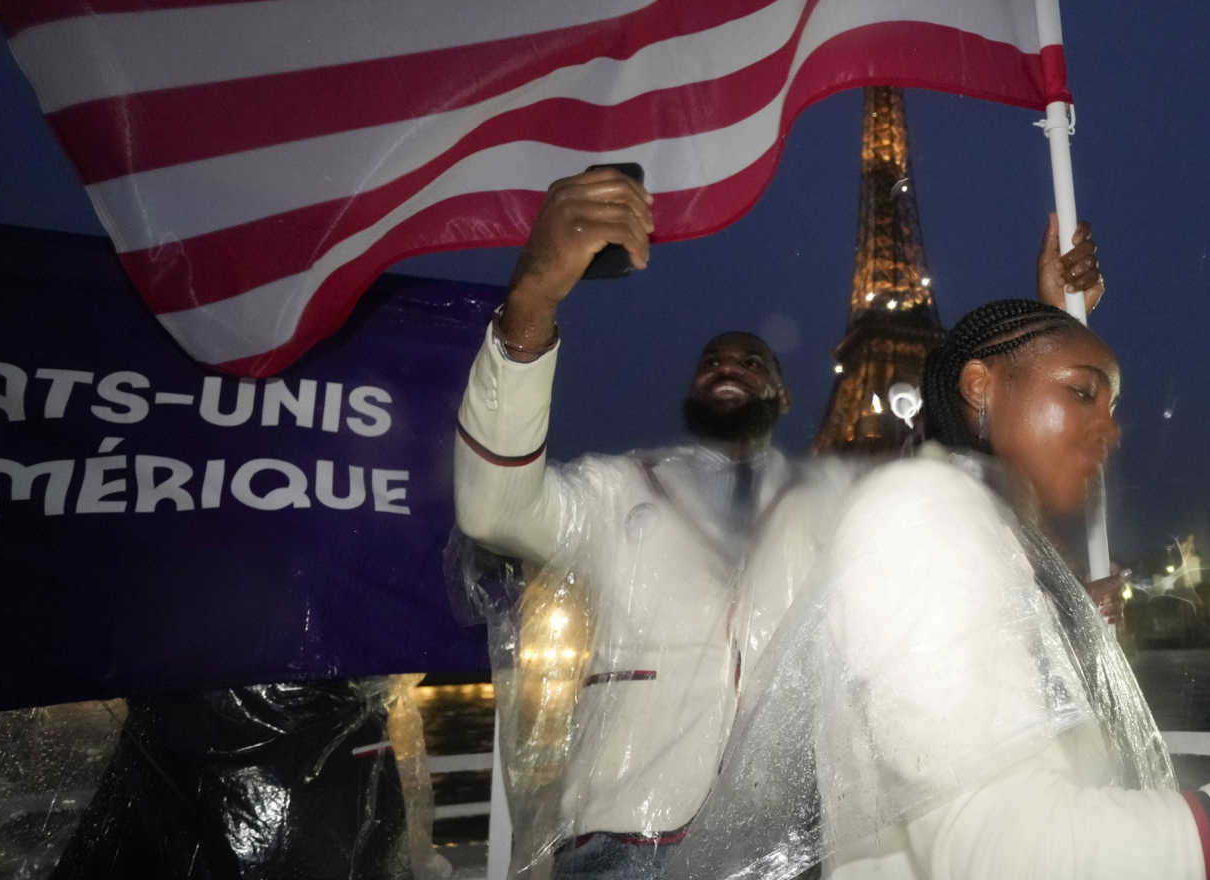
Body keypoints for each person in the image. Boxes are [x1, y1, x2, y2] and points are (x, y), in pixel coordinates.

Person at [666, 299, 1210, 880]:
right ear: (977, 387)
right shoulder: (920, 510)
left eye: (1112, 404)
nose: (1110, 430)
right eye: (1082, 394)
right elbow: (1014, 855)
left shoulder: (990, 541)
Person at [452, 170, 1110, 878]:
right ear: (693, 388)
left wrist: (1050, 329)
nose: (728, 367)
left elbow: (962, 484)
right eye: (713, 361)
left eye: (751, 360)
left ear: (785, 394)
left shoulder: (830, 497)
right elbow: (496, 506)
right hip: (622, 835)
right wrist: (533, 299)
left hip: (781, 839)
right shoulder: (614, 490)